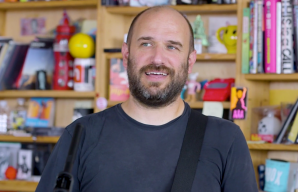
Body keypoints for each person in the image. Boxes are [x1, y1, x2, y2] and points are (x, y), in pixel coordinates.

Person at [36, 6, 258, 192]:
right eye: (146, 44)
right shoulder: (80, 135)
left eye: (172, 46)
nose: (157, 58)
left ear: (190, 61)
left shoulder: (226, 139)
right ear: (126, 54)